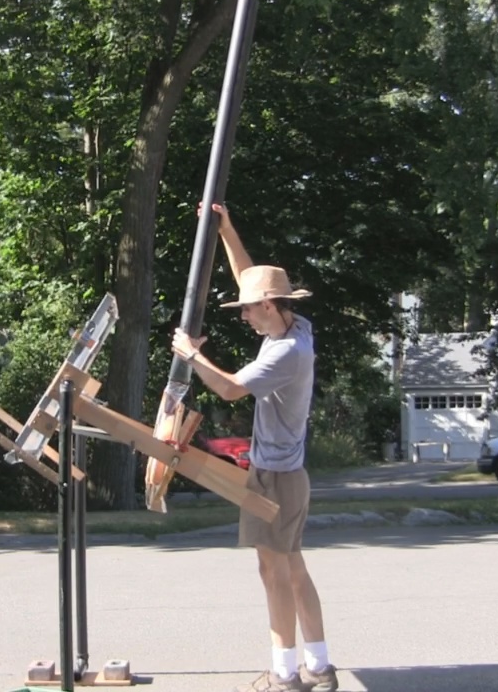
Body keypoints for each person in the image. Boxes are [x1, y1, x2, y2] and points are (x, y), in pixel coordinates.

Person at [171, 202, 339, 692]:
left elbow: (228, 390)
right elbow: (251, 276)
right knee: (288, 569)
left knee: (277, 573)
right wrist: (227, 230)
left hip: (279, 477)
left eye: (246, 309)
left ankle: (286, 674)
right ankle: (319, 666)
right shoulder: (293, 324)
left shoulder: (288, 353)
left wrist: (191, 354)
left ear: (269, 307)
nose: (243, 316)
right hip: (283, 472)